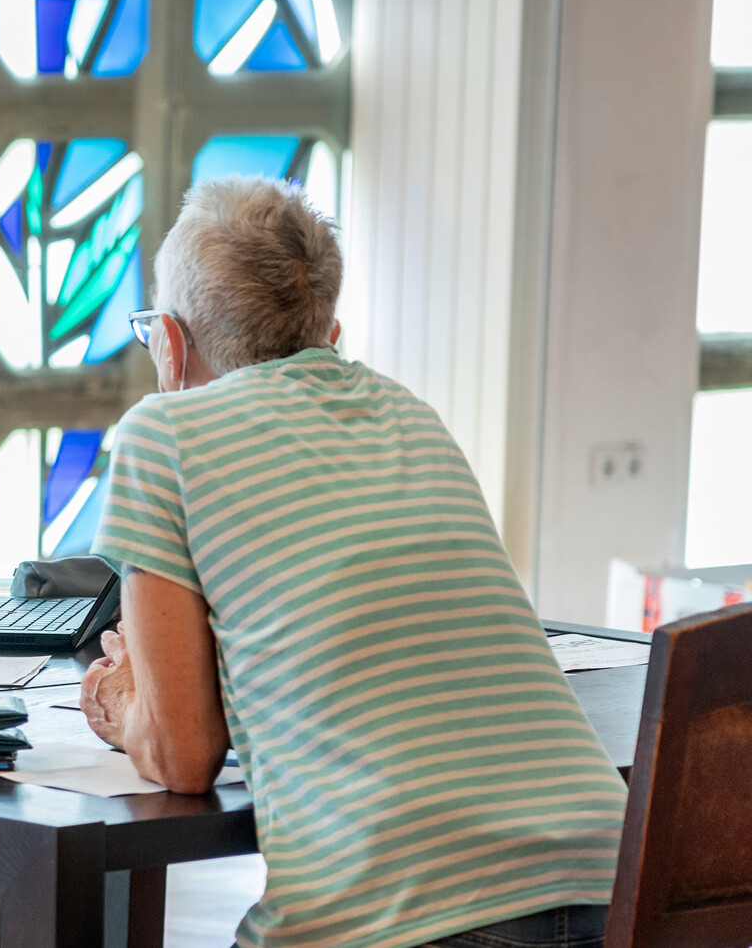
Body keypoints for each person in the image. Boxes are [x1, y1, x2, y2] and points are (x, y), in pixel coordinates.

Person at [81, 177, 626, 948]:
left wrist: (125, 699)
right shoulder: (410, 412)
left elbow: (183, 755)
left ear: (169, 343)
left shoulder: (164, 433)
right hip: (611, 881)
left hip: (412, 911)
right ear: (330, 334)